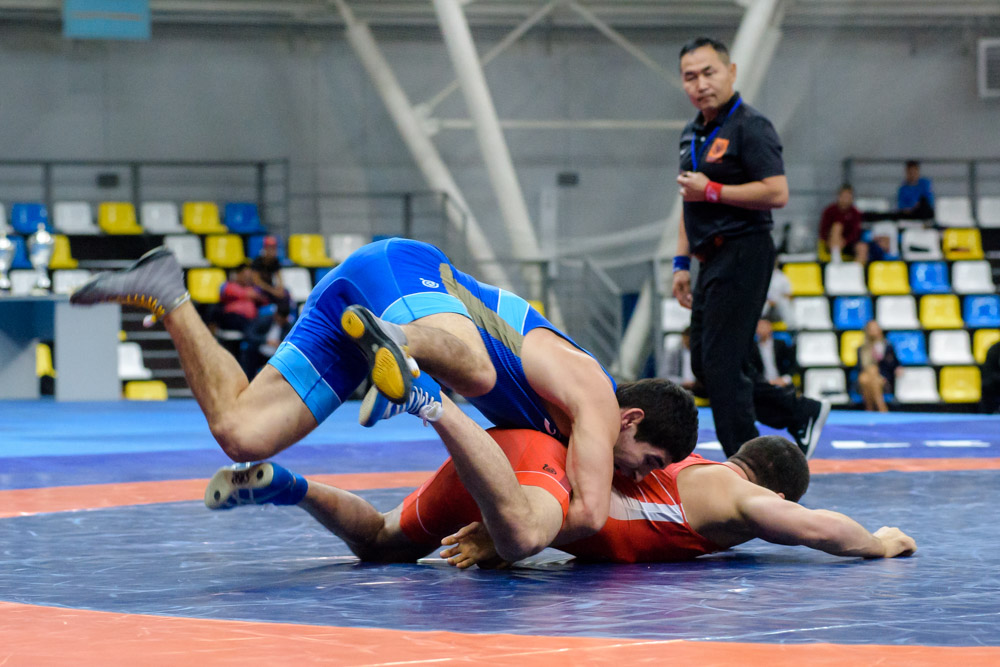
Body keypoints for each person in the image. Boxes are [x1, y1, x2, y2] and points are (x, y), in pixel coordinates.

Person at [70, 239, 699, 557]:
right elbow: (587, 516)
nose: (635, 472)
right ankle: (397, 346)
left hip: (356, 301)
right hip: (403, 272)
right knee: (478, 372)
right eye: (645, 460)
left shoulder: (570, 425)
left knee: (242, 434)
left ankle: (168, 293)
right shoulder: (595, 396)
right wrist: (499, 536)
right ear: (631, 417)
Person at [204, 429, 916, 567]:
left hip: (518, 452)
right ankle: (430, 402)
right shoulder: (739, 498)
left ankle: (292, 485)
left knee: (383, 541)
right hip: (533, 489)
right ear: (773, 485)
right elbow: (815, 528)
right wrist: (879, 542)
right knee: (515, 534)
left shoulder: (685, 459)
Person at [670, 36, 827, 458]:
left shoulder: (751, 126)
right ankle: (800, 412)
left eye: (709, 72)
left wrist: (713, 190)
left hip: (745, 249)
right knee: (708, 364)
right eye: (690, 76)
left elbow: (777, 192)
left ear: (731, 72)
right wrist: (681, 263)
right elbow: (690, 199)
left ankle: (748, 462)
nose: (701, 84)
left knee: (721, 366)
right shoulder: (692, 134)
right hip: (710, 257)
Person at [856, 320, 902, 412]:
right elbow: (860, 367)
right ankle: (881, 407)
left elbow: (893, 364)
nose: (873, 331)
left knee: (867, 378)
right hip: (867, 376)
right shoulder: (862, 349)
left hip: (883, 378)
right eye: (871, 329)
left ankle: (870, 408)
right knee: (866, 377)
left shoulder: (887, 346)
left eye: (875, 329)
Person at [241, 300, 293, 378]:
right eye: (279, 318)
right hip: (259, 352)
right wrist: (265, 341)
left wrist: (280, 344)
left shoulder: (288, 327)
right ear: (275, 314)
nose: (280, 321)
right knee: (248, 354)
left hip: (275, 356)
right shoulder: (264, 320)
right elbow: (249, 334)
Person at [819, 184, 867, 264]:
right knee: (837, 227)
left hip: (849, 244)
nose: (846, 200)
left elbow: (856, 232)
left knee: (863, 247)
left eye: (848, 197)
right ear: (839, 197)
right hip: (831, 243)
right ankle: (836, 262)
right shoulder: (829, 211)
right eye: (844, 196)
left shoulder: (855, 213)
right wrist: (828, 240)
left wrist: (845, 242)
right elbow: (823, 230)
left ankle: (856, 270)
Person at [218, 262, 269, 334]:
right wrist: (252, 294)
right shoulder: (229, 286)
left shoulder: (252, 288)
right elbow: (240, 293)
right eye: (245, 276)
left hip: (250, 320)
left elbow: (264, 300)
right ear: (238, 274)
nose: (248, 279)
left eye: (249, 276)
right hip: (233, 318)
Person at [753, 319, 796, 387]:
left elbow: (792, 363)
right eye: (759, 327)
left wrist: (785, 379)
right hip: (761, 384)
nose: (761, 329)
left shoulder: (781, 344)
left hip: (781, 381)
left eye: (764, 326)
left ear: (770, 327)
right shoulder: (752, 347)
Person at [251, 235, 291, 309]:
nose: (272, 251)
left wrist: (280, 289)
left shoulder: (275, 261)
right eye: (270, 248)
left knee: (285, 294)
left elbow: (279, 278)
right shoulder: (257, 261)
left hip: (270, 288)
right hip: (261, 289)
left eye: (274, 248)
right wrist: (273, 291)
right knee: (257, 294)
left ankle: (283, 315)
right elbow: (257, 282)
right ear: (265, 248)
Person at [663, 326, 697, 391]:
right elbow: (666, 375)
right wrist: (682, 382)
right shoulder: (674, 354)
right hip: (679, 389)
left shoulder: (701, 353)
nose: (689, 342)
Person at [980, 340, 1000, 414]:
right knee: (987, 385)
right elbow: (989, 372)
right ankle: (987, 414)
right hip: (996, 383)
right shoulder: (994, 350)